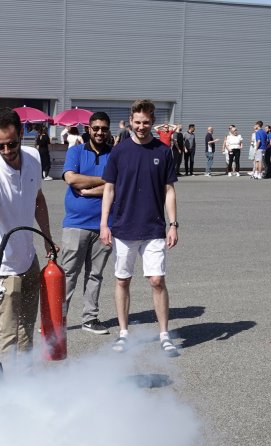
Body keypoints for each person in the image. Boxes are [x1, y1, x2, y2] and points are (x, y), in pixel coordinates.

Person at [99, 99, 179, 357]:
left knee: (157, 280)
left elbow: (169, 190)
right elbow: (108, 189)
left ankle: (164, 334)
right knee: (123, 280)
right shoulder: (119, 151)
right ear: (130, 122)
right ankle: (123, 333)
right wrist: (104, 223)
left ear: (153, 122)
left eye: (146, 122)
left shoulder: (163, 151)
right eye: (137, 122)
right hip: (123, 227)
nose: (141, 126)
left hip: (154, 227)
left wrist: (173, 224)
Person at [0, 107, 53, 356]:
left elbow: (39, 200)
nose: (7, 151)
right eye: (0, 146)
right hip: (4, 267)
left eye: (12, 144)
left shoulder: (32, 157)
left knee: (26, 330)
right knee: (8, 336)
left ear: (21, 134)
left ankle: (25, 385)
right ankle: (6, 392)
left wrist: (47, 238)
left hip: (29, 259)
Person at [60, 111, 113, 335]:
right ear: (89, 129)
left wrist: (89, 191)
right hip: (76, 224)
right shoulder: (76, 151)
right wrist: (106, 181)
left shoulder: (115, 155)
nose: (100, 132)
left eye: (104, 128)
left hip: (105, 224)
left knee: (95, 274)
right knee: (68, 274)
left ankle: (90, 319)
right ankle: (56, 319)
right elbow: (71, 178)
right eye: (96, 128)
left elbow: (119, 187)